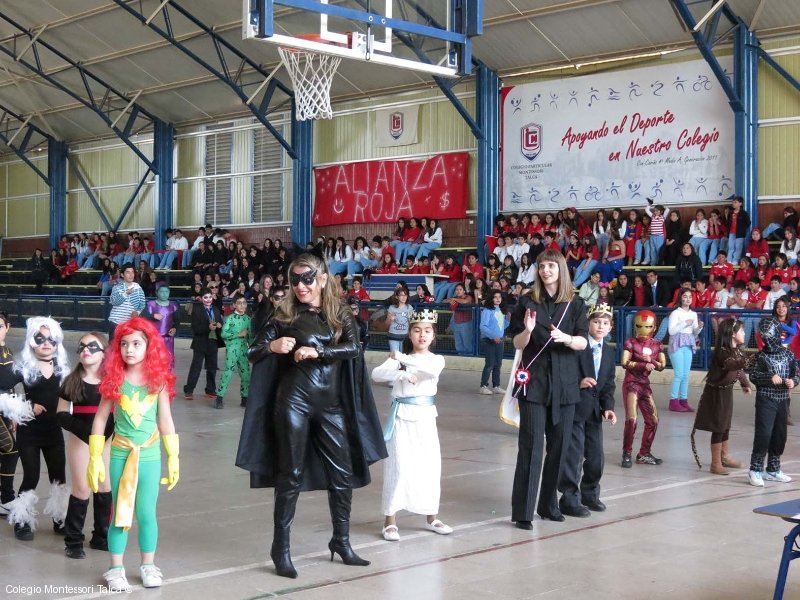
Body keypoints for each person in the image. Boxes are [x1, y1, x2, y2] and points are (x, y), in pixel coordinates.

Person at [236, 252, 386, 579]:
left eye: (307, 279)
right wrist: (272, 347)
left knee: (342, 474)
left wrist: (319, 351)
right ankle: (281, 548)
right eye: (295, 281)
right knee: (289, 474)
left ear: (322, 278)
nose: (301, 287)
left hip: (330, 405)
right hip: (293, 402)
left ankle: (341, 541)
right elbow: (252, 351)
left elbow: (354, 348)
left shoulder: (339, 312)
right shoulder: (283, 314)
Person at [87, 318, 178, 591]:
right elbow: (100, 418)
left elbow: (165, 419)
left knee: (147, 513)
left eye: (137, 343)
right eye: (124, 344)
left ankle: (148, 564)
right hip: (120, 454)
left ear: (149, 346)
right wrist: (95, 456)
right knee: (120, 513)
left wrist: (173, 456)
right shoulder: (115, 380)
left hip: (150, 456)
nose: (130, 349)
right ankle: (115, 568)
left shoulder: (158, 381)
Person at [508, 250, 588, 529]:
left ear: (561, 269)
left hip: (565, 384)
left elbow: (583, 342)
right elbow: (517, 343)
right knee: (531, 446)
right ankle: (523, 511)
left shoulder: (576, 303)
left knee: (559, 447)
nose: (545, 270)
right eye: (542, 266)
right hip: (534, 382)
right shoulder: (527, 301)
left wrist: (567, 338)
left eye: (551, 266)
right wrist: (528, 331)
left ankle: (548, 505)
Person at [372, 308, 452, 541]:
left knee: (430, 466)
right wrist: (400, 374)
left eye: (427, 331)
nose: (422, 335)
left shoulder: (436, 360)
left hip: (425, 419)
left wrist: (400, 358)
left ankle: (431, 516)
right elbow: (377, 375)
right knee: (399, 467)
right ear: (409, 334)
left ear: (434, 335)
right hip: (401, 419)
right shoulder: (400, 360)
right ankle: (390, 521)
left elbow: (430, 370)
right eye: (417, 330)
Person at [8, 317, 71, 541]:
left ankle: (60, 518)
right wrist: (25, 407)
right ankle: (22, 520)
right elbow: (2, 391)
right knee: (31, 476)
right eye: (40, 338)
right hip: (29, 433)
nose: (46, 343)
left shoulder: (63, 370)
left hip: (54, 432)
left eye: (51, 339)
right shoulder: (23, 368)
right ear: (31, 341)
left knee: (59, 477)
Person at [56, 332, 114, 559]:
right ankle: (73, 541)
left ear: (104, 353)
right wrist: (83, 432)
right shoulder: (72, 381)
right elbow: (61, 413)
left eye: (92, 346)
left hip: (107, 440)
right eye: (81, 347)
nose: (85, 350)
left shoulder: (112, 380)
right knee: (82, 488)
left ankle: (102, 536)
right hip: (80, 441)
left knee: (104, 486)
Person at [558, 303, 617, 517]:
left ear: (610, 327)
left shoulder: (609, 352)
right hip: (574, 408)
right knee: (573, 457)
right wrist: (578, 383)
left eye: (605, 323)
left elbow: (608, 384)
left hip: (594, 413)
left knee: (596, 458)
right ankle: (569, 499)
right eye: (596, 322)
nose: (600, 326)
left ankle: (589, 494)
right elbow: (563, 374)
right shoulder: (578, 347)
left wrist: (608, 407)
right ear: (588, 324)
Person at [690, 318, 752, 475]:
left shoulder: (736, 350)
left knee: (726, 425)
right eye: (741, 331)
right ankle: (715, 463)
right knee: (718, 427)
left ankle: (724, 457)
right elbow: (732, 364)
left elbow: (738, 370)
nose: (744, 333)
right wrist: (750, 360)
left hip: (726, 391)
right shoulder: (721, 352)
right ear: (732, 334)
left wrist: (745, 383)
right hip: (716, 393)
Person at [746, 318, 799, 487]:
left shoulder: (789, 354)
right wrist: (769, 377)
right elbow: (754, 376)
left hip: (783, 399)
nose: (767, 338)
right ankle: (755, 469)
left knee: (779, 435)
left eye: (769, 334)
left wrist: (793, 381)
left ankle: (773, 468)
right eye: (764, 335)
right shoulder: (760, 356)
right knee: (764, 434)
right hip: (766, 399)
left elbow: (796, 373)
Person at [620, 310, 667, 468]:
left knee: (653, 420)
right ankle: (627, 453)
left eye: (647, 326)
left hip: (644, 385)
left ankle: (644, 453)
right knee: (632, 419)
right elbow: (625, 363)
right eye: (640, 326)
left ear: (654, 327)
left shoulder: (657, 345)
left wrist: (651, 361)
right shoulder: (630, 343)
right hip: (631, 384)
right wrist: (643, 364)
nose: (643, 329)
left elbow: (662, 366)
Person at [0, 311, 32, 517]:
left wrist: (13, 412)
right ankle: (6, 498)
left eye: (0, 326)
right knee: (11, 450)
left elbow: (9, 385)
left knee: (7, 451)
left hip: (5, 408)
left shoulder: (7, 351)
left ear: (7, 327)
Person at [183, 288, 223, 402]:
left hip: (213, 342)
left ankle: (210, 389)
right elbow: (195, 328)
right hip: (200, 343)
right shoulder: (196, 310)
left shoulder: (215, 309)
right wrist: (207, 328)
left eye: (210, 297)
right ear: (201, 298)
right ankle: (189, 390)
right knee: (196, 367)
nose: (208, 299)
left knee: (212, 367)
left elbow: (220, 322)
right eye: (205, 297)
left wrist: (220, 325)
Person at [667, 288, 703, 413]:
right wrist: (684, 323)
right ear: (680, 298)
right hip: (676, 344)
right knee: (679, 374)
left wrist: (699, 327)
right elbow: (671, 331)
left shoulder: (693, 314)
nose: (688, 299)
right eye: (685, 296)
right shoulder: (675, 313)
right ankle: (673, 401)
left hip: (688, 344)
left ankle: (683, 400)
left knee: (686, 375)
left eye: (690, 297)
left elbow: (695, 333)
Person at [215, 294, 252, 409]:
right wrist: (238, 334)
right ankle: (219, 397)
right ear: (234, 305)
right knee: (228, 372)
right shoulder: (230, 318)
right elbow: (223, 334)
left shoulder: (248, 319)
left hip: (244, 350)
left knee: (246, 374)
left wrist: (253, 348)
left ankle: (245, 398)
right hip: (232, 349)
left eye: (244, 303)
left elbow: (250, 337)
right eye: (239, 303)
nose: (242, 305)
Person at [143, 283, 181, 369]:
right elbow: (142, 317)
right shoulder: (150, 304)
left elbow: (177, 321)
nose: (164, 294)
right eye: (162, 291)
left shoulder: (174, 306)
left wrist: (175, 329)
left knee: (167, 362)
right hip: (153, 339)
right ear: (156, 293)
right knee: (153, 362)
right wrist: (153, 316)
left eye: (166, 292)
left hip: (168, 339)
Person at [479, 290, 509, 395]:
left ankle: (496, 386)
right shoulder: (487, 311)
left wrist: (508, 321)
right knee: (490, 363)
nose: (498, 299)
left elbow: (501, 326)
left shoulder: (501, 311)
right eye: (495, 297)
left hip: (499, 341)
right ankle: (483, 386)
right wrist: (493, 336)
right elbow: (483, 326)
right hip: (488, 340)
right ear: (491, 298)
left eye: (499, 297)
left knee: (498, 364)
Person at [108, 263, 145, 341]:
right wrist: (125, 294)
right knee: (113, 346)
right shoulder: (116, 287)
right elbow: (114, 302)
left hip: (130, 324)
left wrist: (137, 312)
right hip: (116, 323)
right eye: (128, 272)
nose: (131, 275)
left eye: (132, 272)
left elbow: (142, 304)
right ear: (122, 275)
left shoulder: (138, 288)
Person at [387, 288, 413, 353]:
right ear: (397, 297)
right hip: (393, 336)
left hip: (405, 336)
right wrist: (390, 319)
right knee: (395, 356)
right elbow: (386, 324)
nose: (404, 297)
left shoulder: (409, 307)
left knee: (404, 356)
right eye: (401, 295)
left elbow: (411, 323)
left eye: (405, 295)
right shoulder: (391, 307)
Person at [726, 196, 751, 265]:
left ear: (740, 203)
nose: (733, 203)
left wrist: (742, 229)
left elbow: (748, 222)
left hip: (739, 234)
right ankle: (729, 259)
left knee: (738, 247)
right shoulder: (731, 213)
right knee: (731, 247)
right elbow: (728, 223)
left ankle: (735, 260)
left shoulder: (743, 213)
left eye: (735, 202)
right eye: (733, 202)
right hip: (731, 233)